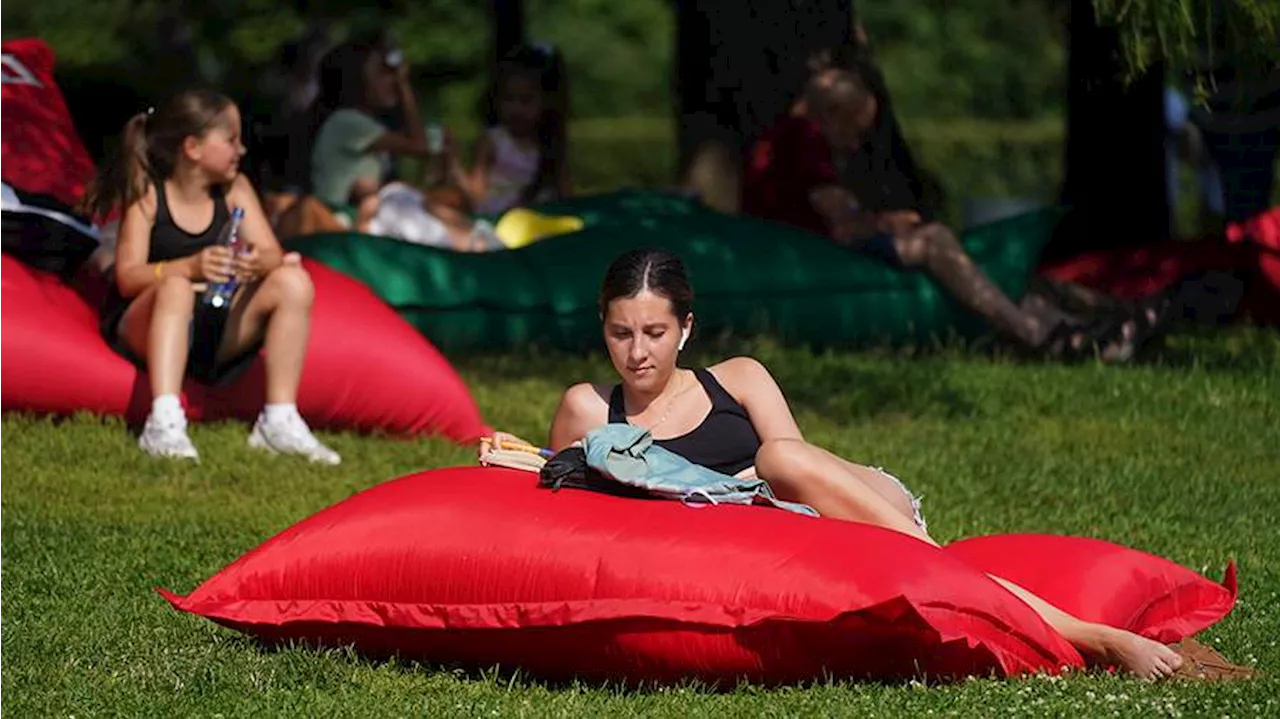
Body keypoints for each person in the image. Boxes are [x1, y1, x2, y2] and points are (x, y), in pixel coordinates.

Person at [488, 247, 1188, 680]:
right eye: (620, 333)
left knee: (779, 455)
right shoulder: (588, 407)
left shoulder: (739, 377)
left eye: (655, 332)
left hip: (841, 503)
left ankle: (1089, 633)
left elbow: (799, 482)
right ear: (601, 328)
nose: (637, 352)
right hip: (772, 530)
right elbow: (565, 506)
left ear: (687, 328)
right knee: (774, 461)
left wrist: (721, 488)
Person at [743, 64, 1157, 362]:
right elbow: (842, 223)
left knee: (964, 257)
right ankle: (1033, 331)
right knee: (936, 240)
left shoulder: (780, 138)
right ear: (831, 114)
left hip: (803, 247)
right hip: (815, 254)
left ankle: (1083, 324)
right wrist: (888, 222)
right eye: (853, 129)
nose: (853, 144)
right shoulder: (805, 137)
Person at [78, 89, 341, 465]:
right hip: (148, 326)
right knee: (176, 287)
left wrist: (257, 263)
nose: (242, 150)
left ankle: (279, 419)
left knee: (293, 280)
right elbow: (127, 278)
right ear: (193, 148)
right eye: (231, 140)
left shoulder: (235, 191)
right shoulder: (149, 196)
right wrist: (190, 267)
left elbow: (271, 253)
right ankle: (164, 419)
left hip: (211, 330)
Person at [308, 41, 497, 251]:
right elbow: (419, 147)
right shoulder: (347, 121)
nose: (392, 81)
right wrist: (405, 85)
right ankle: (480, 247)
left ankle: (480, 243)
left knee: (426, 198)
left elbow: (420, 174)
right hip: (339, 221)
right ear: (357, 82)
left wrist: (446, 163)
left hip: (358, 215)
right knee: (399, 199)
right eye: (383, 73)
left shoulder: (363, 126)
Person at [455, 43, 570, 216]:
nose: (516, 109)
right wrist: (453, 165)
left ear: (546, 102)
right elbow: (476, 197)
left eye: (526, 100)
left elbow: (567, 197)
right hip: (499, 224)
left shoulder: (549, 146)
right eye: (509, 99)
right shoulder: (493, 142)